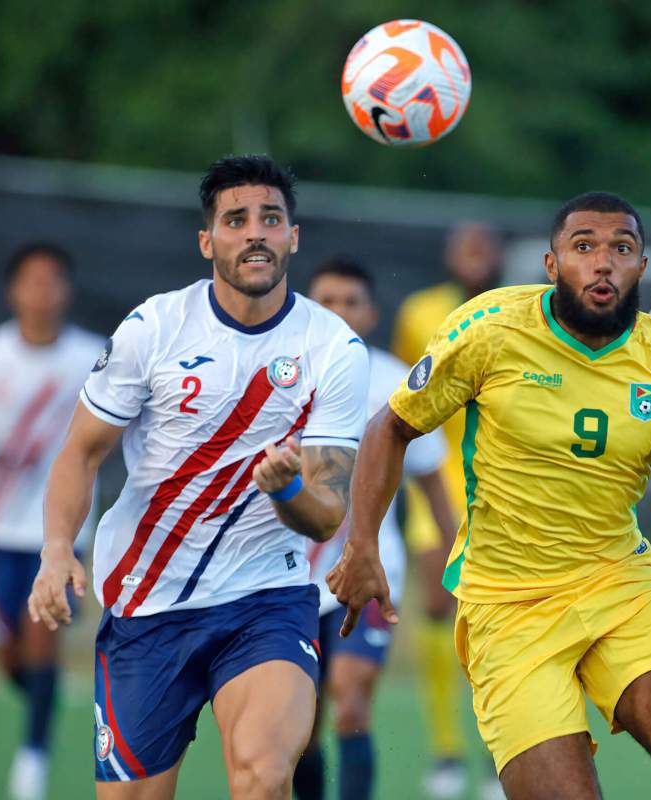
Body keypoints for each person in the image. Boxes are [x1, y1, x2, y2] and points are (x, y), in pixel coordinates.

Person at [329, 191, 651, 800]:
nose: (602, 263)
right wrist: (363, 544)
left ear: (641, 268)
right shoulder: (490, 330)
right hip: (507, 607)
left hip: (620, 587)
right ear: (552, 266)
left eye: (621, 249)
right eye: (584, 247)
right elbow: (390, 427)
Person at [26, 155, 369, 800]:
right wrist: (54, 551)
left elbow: (326, 511)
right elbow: (79, 454)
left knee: (264, 775)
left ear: (294, 236)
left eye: (271, 218)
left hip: (267, 599)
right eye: (236, 220)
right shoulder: (152, 329)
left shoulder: (333, 348)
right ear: (208, 240)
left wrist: (287, 488)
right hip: (147, 601)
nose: (256, 233)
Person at [0, 242, 104, 800]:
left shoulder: (90, 356)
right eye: (31, 281)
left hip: (56, 530)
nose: (42, 292)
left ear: (68, 290)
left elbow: (109, 433)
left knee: (43, 641)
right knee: (10, 655)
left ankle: (31, 762)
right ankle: (43, 694)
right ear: (13, 290)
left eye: (53, 280)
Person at [294, 256, 459, 800]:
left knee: (351, 698)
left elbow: (434, 479)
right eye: (327, 300)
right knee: (302, 726)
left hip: (366, 571)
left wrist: (451, 560)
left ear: (371, 313)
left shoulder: (395, 383)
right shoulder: (279, 376)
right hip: (288, 577)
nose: (338, 312)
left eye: (351, 302)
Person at [390, 222, 503, 798]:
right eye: (465, 245)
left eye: (485, 245)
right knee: (439, 602)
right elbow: (400, 392)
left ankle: (497, 749)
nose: (475, 255)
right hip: (437, 475)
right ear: (450, 254)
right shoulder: (419, 312)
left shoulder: (527, 308)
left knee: (497, 616)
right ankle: (445, 749)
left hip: (505, 481)